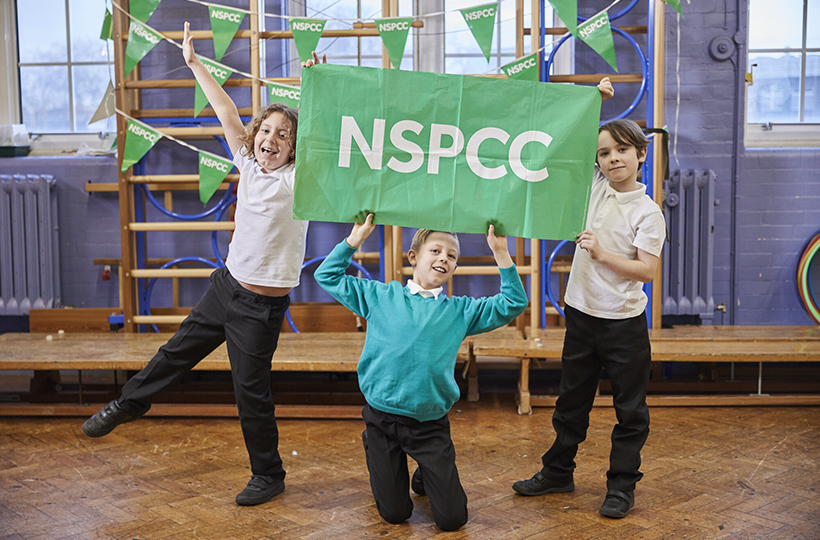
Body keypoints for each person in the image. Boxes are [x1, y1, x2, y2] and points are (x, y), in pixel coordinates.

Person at [81, 23, 321, 507]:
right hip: (225, 288)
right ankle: (126, 405)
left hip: (260, 307)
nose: (271, 138)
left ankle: (268, 475)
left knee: (250, 393)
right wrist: (194, 63)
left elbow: (324, 132)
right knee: (173, 355)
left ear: (295, 147)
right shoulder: (248, 163)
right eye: (267, 130)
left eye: (283, 134)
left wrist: (316, 88)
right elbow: (226, 110)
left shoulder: (302, 179)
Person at [314, 215, 528, 531]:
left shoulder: (461, 311)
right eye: (436, 251)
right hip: (382, 420)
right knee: (395, 514)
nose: (444, 258)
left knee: (453, 520)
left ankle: (425, 470)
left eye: (452, 256)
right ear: (414, 257)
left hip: (429, 427)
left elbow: (514, 302)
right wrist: (354, 241)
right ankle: (377, 448)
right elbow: (327, 275)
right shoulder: (380, 296)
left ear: (455, 267)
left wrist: (501, 253)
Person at [512, 117, 665, 519]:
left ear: (640, 155)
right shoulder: (595, 187)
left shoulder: (648, 213)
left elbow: (646, 270)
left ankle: (621, 486)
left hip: (623, 323)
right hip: (581, 315)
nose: (613, 158)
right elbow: (571, 137)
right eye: (604, 153)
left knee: (630, 410)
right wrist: (594, 99)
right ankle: (557, 472)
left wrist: (601, 255)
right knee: (571, 402)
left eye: (622, 150)